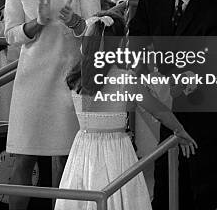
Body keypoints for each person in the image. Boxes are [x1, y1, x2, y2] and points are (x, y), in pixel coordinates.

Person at [128, 0, 217, 210]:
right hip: (164, 104)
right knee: (165, 185)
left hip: (205, 111)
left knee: (201, 189)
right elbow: (139, 33)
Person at [4, 0, 100, 209]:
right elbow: (11, 34)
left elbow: (96, 29)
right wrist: (38, 22)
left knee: (67, 159)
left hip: (71, 79)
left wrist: (74, 23)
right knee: (22, 159)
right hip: (31, 81)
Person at [55, 12, 197, 210]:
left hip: (84, 147)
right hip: (116, 150)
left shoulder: (76, 78)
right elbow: (158, 111)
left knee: (84, 194)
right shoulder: (125, 79)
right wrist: (179, 130)